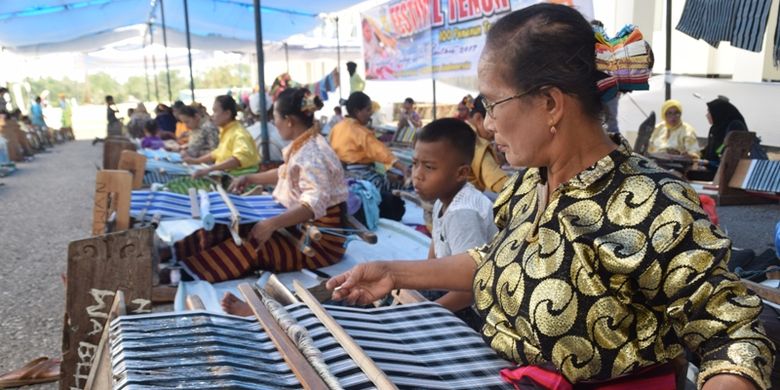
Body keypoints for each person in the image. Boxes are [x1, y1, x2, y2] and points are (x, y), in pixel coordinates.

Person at [327, 4, 773, 389]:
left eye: (493, 103)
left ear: (550, 104)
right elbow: (496, 261)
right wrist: (393, 272)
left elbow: (733, 338)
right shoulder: (529, 185)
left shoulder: (652, 203)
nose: (486, 125)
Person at [174, 87, 349, 283]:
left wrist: (271, 224)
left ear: (289, 121)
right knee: (229, 226)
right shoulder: (306, 144)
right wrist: (250, 178)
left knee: (254, 242)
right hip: (303, 227)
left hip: (320, 242)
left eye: (276, 118)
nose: (275, 123)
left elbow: (312, 204)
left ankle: (183, 275)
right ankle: (173, 254)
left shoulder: (311, 154)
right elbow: (286, 173)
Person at [412, 118, 497, 317]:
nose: (417, 175)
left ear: (461, 173)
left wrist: (426, 314)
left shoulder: (462, 214)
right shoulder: (443, 200)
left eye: (429, 167)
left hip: (477, 309)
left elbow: (470, 289)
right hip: (452, 288)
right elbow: (434, 254)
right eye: (415, 163)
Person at [183, 95, 260, 178]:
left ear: (227, 114)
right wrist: (195, 161)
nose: (212, 116)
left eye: (215, 111)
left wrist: (209, 169)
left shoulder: (239, 134)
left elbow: (238, 159)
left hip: (239, 181)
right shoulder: (227, 131)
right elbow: (217, 153)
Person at [466, 95, 508, 193]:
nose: (496, 130)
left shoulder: (461, 132)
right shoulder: (475, 142)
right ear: (479, 119)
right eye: (494, 120)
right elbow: (500, 184)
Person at [702, 97, 747, 163]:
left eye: (709, 112)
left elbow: (725, 152)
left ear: (718, 113)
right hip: (714, 167)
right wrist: (695, 154)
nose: (707, 115)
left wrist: (709, 163)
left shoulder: (735, 126)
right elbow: (711, 151)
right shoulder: (715, 129)